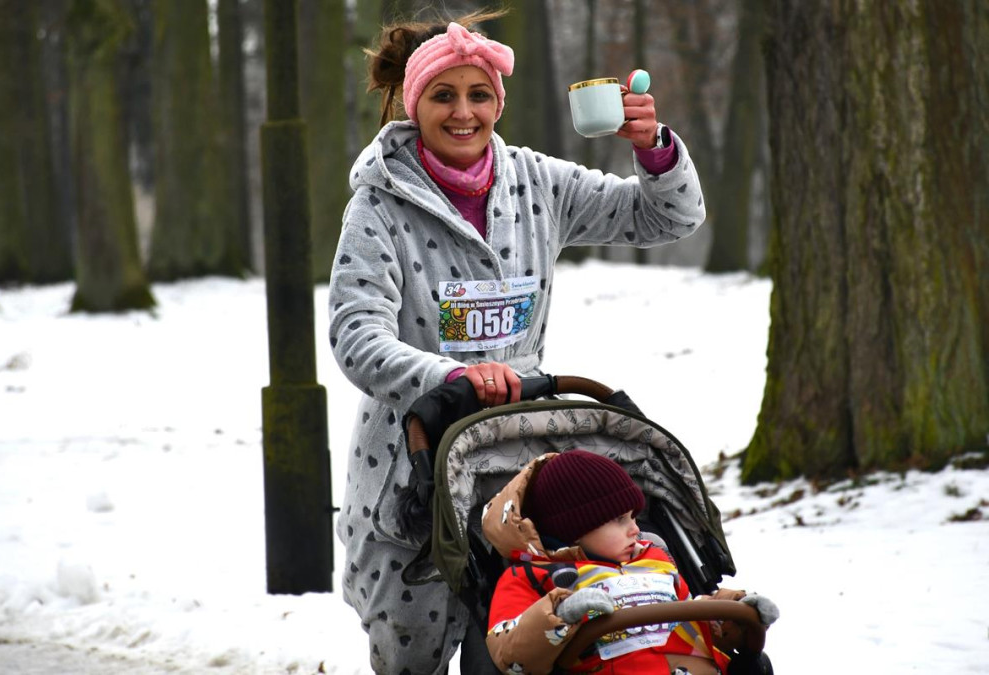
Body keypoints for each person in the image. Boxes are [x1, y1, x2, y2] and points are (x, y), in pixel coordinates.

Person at [328, 8, 708, 673]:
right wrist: (446, 376)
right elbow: (355, 333)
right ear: (414, 105)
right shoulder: (378, 205)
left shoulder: (539, 183)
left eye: (479, 95)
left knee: (518, 648)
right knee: (406, 648)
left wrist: (653, 148)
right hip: (407, 464)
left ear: (497, 102)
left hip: (516, 466)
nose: (463, 113)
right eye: (443, 96)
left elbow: (668, 214)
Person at [482, 450, 779, 675]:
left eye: (634, 516)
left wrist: (736, 610)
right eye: (619, 519)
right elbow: (509, 649)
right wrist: (561, 614)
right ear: (573, 529)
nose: (636, 529)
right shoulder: (533, 576)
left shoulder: (655, 558)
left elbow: (693, 611)